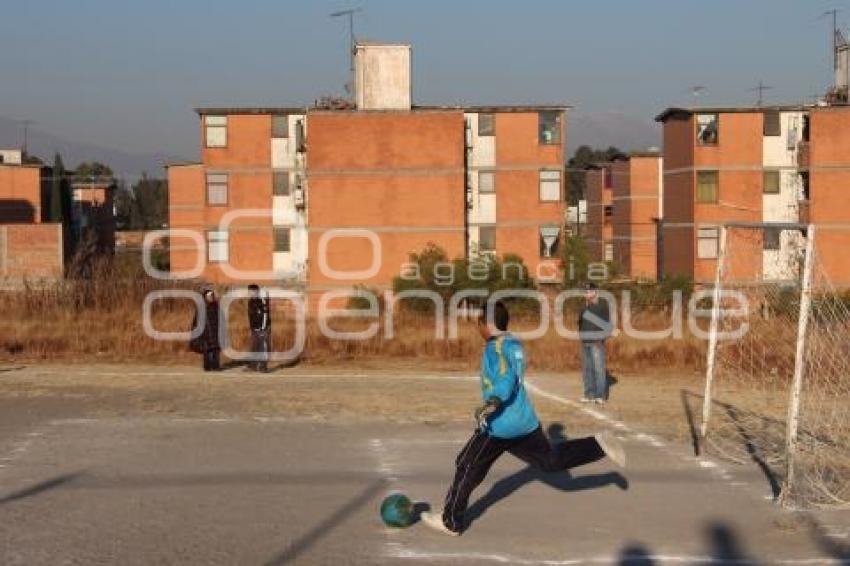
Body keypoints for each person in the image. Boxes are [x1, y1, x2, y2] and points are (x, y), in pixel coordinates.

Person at [420, 301, 625, 536]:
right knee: (550, 461)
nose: (478, 328)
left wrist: (494, 400)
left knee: (466, 465)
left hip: (500, 424)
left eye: (479, 323)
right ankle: (599, 444)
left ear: (487, 324)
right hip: (524, 422)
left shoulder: (494, 348)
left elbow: (505, 379)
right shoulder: (513, 343)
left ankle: (450, 522)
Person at [578, 283, 612, 404]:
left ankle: (600, 396)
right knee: (587, 370)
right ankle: (589, 394)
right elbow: (580, 323)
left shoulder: (602, 307)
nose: (586, 294)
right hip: (585, 342)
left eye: (589, 291)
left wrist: (601, 339)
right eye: (585, 292)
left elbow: (608, 326)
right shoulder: (584, 308)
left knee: (598, 369)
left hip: (596, 342)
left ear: (595, 292)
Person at [191, 288, 221, 372]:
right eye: (209, 296)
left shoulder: (216, 306)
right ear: (205, 297)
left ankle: (215, 367)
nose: (211, 297)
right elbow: (196, 322)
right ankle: (207, 367)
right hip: (205, 333)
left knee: (215, 350)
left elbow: (221, 320)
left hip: (215, 332)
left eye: (212, 295)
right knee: (207, 351)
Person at [246, 284, 270, 373]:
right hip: (254, 328)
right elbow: (251, 316)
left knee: (263, 348)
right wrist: (252, 327)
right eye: (249, 291)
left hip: (262, 328)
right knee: (253, 347)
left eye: (252, 291)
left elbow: (265, 315)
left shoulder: (262, 301)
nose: (250, 293)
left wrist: (262, 328)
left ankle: (263, 367)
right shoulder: (250, 301)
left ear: (256, 291)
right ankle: (253, 366)